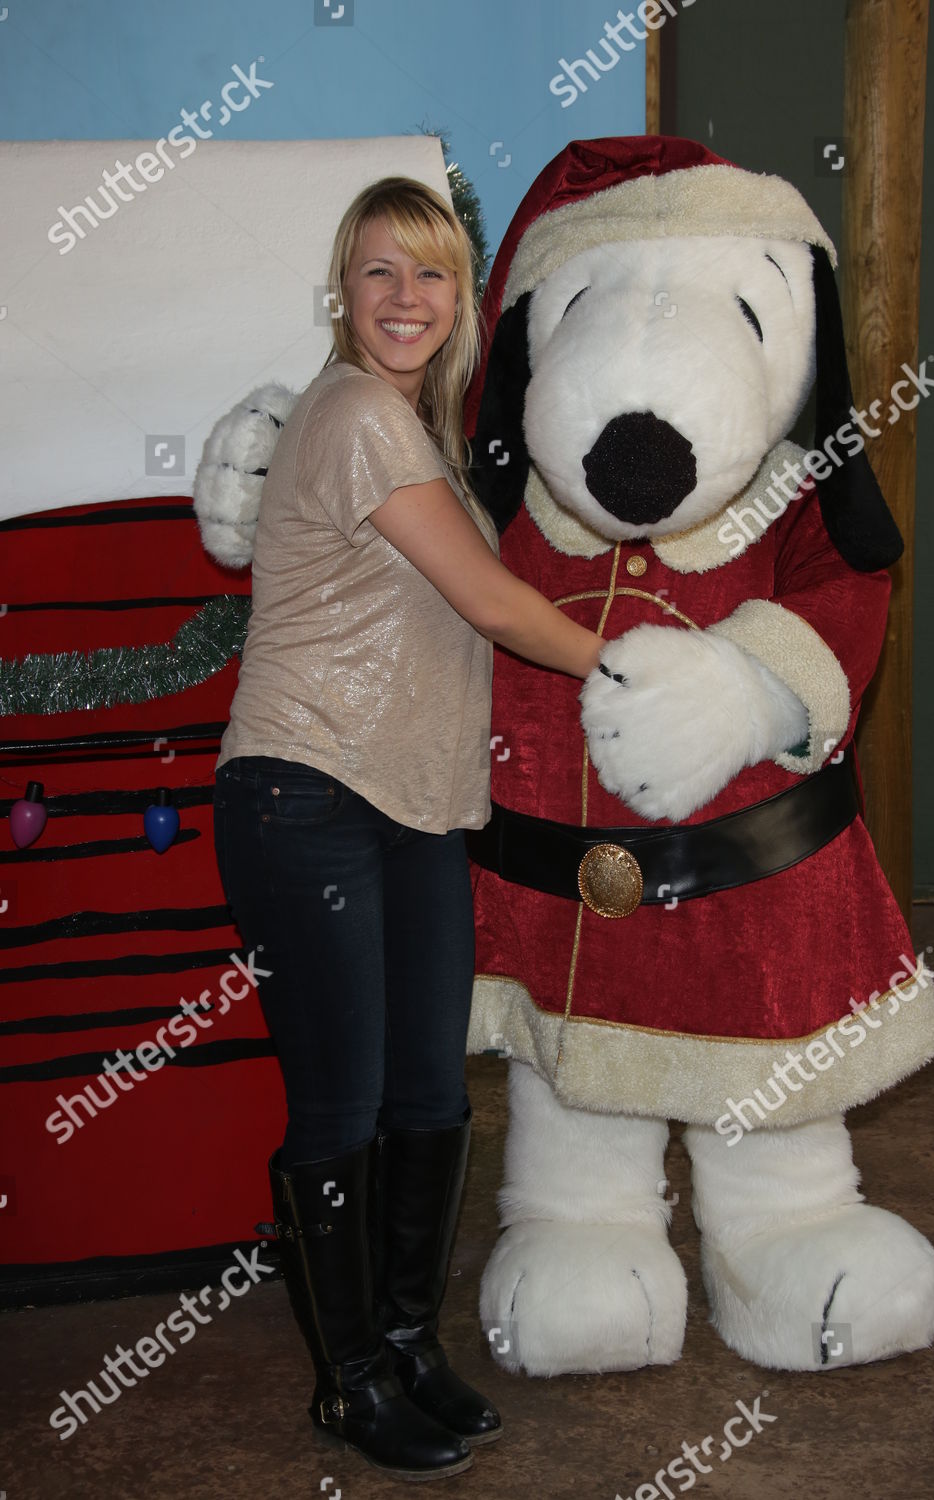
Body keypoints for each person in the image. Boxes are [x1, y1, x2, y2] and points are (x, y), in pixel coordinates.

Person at [211, 176, 603, 1481]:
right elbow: (493, 604)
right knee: (346, 1098)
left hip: (418, 807)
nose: (406, 299)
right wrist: (645, 666)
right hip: (306, 793)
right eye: (380, 273)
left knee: (432, 1092)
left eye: (431, 275)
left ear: (458, 302)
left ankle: (406, 1341)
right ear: (343, 290)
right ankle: (351, 1385)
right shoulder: (354, 419)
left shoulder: (414, 433)